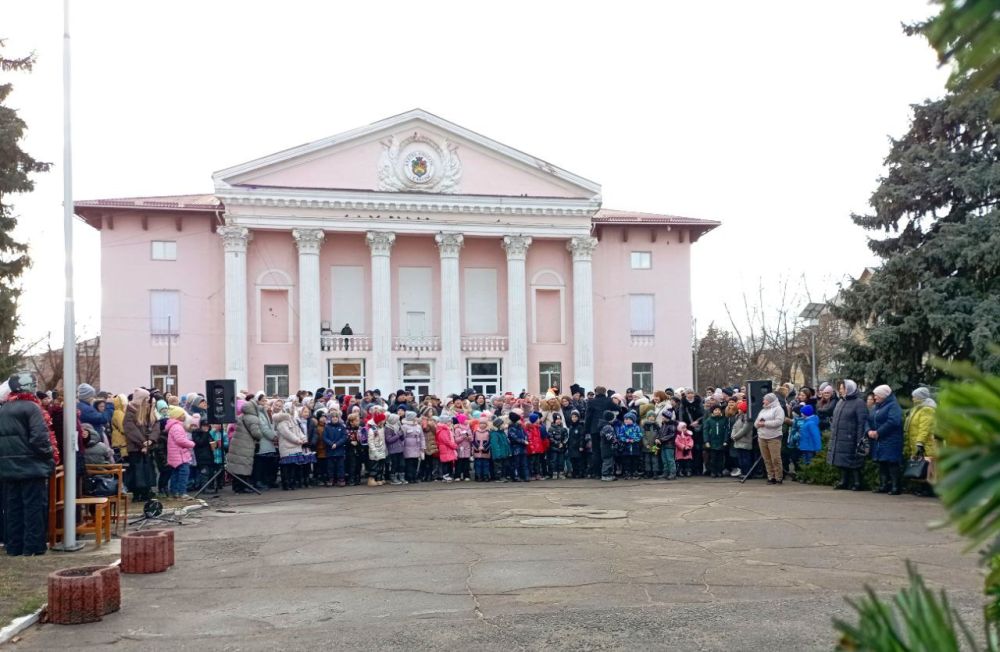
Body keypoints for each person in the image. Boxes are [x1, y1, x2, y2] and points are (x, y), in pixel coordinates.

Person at [0, 372, 55, 556]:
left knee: (13, 507)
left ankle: (14, 546)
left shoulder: (3, 409)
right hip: (31, 467)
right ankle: (33, 546)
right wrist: (48, 456)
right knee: (33, 507)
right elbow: (40, 438)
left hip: (8, 468)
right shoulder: (32, 408)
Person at [828, 380, 869, 491]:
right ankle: (844, 481)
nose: (840, 390)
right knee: (841, 460)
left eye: (843, 388)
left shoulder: (859, 403)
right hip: (840, 436)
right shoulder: (841, 401)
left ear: (849, 389)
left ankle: (857, 482)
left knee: (854, 460)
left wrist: (860, 438)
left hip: (851, 436)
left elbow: (861, 422)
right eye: (840, 388)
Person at [123, 388, 160, 502]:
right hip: (135, 447)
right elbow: (130, 430)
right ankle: (137, 493)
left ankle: (146, 492)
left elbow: (155, 426)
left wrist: (151, 440)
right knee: (136, 471)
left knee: (147, 471)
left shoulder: (148, 410)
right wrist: (142, 442)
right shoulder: (130, 412)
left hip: (147, 446)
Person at [868, 385, 904, 495]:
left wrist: (878, 432)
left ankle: (895, 487)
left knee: (892, 463)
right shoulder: (876, 407)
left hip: (891, 439)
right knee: (882, 462)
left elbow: (893, 421)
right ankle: (883, 485)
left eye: (877, 395)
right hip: (878, 439)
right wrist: (869, 431)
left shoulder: (893, 406)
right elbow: (868, 420)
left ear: (884, 395)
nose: (875, 397)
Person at [904, 387, 938, 492]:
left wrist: (920, 442)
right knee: (923, 466)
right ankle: (923, 488)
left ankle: (931, 489)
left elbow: (924, 428)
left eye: (914, 396)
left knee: (929, 467)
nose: (912, 398)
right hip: (918, 441)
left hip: (926, 443)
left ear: (920, 397)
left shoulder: (927, 409)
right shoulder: (917, 408)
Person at [229, 400, 263, 493]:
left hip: (237, 443)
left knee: (237, 466)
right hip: (246, 444)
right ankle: (243, 487)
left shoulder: (241, 416)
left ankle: (236, 486)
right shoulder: (253, 418)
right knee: (244, 465)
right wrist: (261, 435)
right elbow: (256, 433)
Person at [166, 412, 199, 499]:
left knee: (175, 474)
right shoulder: (178, 427)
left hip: (175, 456)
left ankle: (174, 492)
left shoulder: (173, 426)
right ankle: (182, 492)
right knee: (183, 474)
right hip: (180, 456)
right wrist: (191, 443)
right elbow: (180, 440)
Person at [754, 393, 785, 484]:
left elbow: (778, 422)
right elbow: (756, 423)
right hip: (762, 437)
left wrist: (765, 423)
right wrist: (758, 424)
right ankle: (771, 477)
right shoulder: (763, 411)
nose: (763, 401)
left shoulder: (778, 409)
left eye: (765, 399)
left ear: (770, 400)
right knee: (766, 459)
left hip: (774, 437)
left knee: (775, 458)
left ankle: (778, 477)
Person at [583, 386, 613, 478]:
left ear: (596, 392)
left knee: (596, 451)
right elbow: (617, 409)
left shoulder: (591, 402)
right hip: (606, 428)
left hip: (594, 429)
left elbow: (588, 417)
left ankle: (597, 473)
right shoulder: (608, 400)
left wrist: (586, 429)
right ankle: (606, 471)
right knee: (606, 450)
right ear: (605, 392)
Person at [275, 411, 308, 490]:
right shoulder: (282, 423)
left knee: (293, 466)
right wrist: (297, 440)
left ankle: (292, 482)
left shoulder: (294, 421)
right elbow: (287, 434)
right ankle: (286, 483)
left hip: (296, 447)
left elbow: (299, 431)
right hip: (287, 447)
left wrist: (303, 438)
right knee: (286, 466)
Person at [703, 405, 730, 478]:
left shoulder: (724, 419)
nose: (717, 411)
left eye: (718, 410)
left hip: (721, 442)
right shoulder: (709, 420)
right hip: (712, 442)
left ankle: (719, 471)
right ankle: (713, 471)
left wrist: (725, 440)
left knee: (721, 458)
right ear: (712, 412)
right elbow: (705, 431)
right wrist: (706, 441)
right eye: (715, 410)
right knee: (713, 458)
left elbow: (726, 431)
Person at [324, 410, 348, 487]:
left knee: (340, 465)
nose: (334, 418)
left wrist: (337, 444)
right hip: (330, 450)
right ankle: (331, 479)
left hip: (339, 449)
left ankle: (341, 479)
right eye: (333, 417)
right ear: (330, 418)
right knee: (330, 466)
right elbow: (325, 437)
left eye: (336, 417)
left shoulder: (342, 426)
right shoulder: (327, 427)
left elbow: (344, 437)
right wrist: (331, 444)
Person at [730, 401, 753, 478]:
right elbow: (734, 427)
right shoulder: (738, 417)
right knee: (740, 459)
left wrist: (735, 437)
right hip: (738, 441)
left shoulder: (748, 418)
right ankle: (743, 472)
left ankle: (747, 473)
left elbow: (745, 429)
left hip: (745, 441)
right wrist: (733, 435)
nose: (738, 410)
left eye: (740, 409)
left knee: (745, 459)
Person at [401, 411, 424, 484]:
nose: (416, 418)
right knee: (409, 463)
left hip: (416, 447)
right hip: (408, 447)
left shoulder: (418, 426)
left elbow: (422, 436)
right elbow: (402, 437)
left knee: (415, 462)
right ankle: (409, 477)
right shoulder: (404, 426)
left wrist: (423, 446)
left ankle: (414, 477)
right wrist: (402, 447)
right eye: (415, 417)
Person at [507, 412, 530, 482]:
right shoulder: (511, 428)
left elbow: (525, 435)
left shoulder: (520, 428)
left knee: (524, 463)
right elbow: (514, 438)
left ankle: (526, 476)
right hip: (516, 449)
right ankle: (516, 476)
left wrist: (526, 439)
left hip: (523, 448)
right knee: (516, 463)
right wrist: (523, 441)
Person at [566, 410, 589, 479]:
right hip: (571, 447)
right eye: (572, 417)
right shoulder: (571, 427)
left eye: (575, 417)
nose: (574, 418)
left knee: (579, 460)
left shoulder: (580, 426)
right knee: (573, 461)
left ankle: (581, 473)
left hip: (578, 446)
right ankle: (575, 473)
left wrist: (581, 445)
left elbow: (582, 437)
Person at [489, 416, 511, 482]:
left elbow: (506, 444)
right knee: (498, 466)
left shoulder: (502, 433)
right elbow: (495, 445)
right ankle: (498, 477)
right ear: (499, 425)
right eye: (503, 424)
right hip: (498, 454)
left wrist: (508, 452)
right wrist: (497, 454)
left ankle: (503, 476)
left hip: (504, 453)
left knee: (504, 466)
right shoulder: (495, 434)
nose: (504, 425)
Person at [435, 416, 458, 482]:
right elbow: (446, 441)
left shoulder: (446, 429)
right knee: (446, 463)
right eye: (448, 421)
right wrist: (454, 446)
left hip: (448, 448)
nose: (450, 422)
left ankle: (448, 475)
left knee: (449, 462)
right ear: (445, 422)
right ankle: (446, 475)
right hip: (446, 448)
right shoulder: (443, 430)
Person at [547, 413, 568, 480]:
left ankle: (561, 472)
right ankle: (554, 472)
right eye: (557, 419)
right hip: (554, 448)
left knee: (561, 461)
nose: (558, 421)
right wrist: (557, 443)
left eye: (559, 419)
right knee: (554, 460)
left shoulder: (563, 429)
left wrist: (563, 443)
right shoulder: (551, 429)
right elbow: (550, 438)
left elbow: (566, 437)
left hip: (561, 448)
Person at [472, 415, 492, 481]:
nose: (482, 425)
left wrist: (484, 447)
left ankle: (485, 475)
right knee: (478, 464)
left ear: (486, 424)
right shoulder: (476, 432)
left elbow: (489, 441)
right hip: (477, 451)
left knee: (486, 464)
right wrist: (478, 447)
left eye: (484, 423)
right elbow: (473, 441)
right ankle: (478, 476)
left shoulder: (488, 432)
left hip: (485, 451)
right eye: (481, 423)